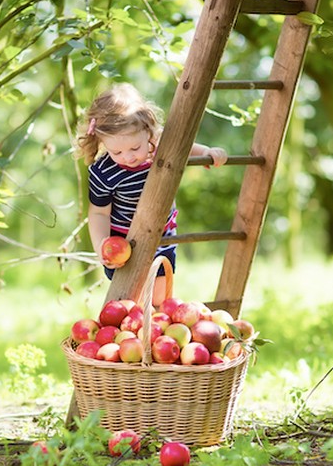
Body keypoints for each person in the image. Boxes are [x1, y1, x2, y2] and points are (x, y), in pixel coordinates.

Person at [76, 83, 227, 306]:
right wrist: (101, 247)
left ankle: (154, 332)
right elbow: (99, 213)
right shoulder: (103, 173)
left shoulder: (159, 145)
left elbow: (184, 146)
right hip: (125, 241)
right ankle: (132, 336)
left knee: (159, 297)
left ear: (148, 131)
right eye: (116, 151)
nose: (127, 157)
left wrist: (206, 152)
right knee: (130, 299)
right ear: (102, 142)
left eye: (135, 148)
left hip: (162, 234)